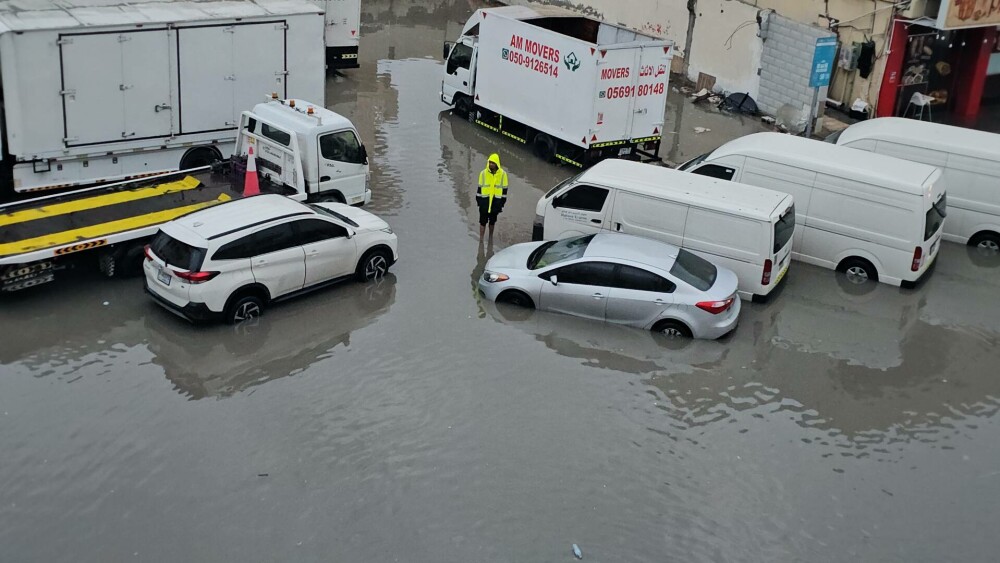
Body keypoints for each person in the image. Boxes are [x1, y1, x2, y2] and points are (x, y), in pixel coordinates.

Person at [476, 153, 508, 241]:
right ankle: (481, 239)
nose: (491, 164)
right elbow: (479, 189)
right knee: (482, 222)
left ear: (497, 163)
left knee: (492, 221)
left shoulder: (503, 175)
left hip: (496, 203)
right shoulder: (483, 173)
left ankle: (490, 237)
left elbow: (504, 191)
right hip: (484, 202)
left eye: (493, 163)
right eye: (490, 162)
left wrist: (501, 204)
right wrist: (479, 202)